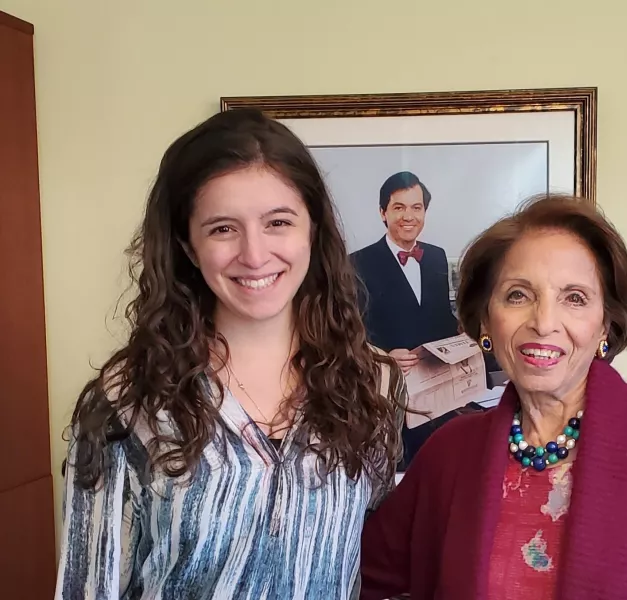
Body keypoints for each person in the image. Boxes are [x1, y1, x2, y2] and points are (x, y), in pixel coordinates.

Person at [54, 108, 405, 599]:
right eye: (223, 228)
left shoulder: (374, 382)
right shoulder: (126, 401)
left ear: (313, 230)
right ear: (188, 246)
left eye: (278, 222)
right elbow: (87, 589)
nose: (255, 254)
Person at [359, 194, 627, 599]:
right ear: (485, 319)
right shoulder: (450, 455)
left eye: (574, 298)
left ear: (605, 325)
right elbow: (348, 574)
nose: (544, 323)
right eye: (518, 295)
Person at [349, 171, 459, 373]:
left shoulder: (436, 256)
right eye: (399, 207)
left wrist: (467, 334)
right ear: (383, 212)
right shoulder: (356, 263)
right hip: (386, 381)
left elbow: (442, 318)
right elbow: (349, 331)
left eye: (416, 208)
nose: (408, 216)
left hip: (437, 376)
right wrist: (381, 357)